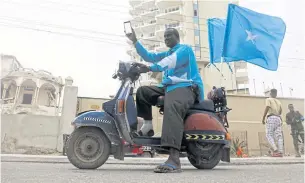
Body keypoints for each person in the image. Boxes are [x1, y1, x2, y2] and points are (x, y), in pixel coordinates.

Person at [126, 27, 204, 173]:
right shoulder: (168, 53)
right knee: (143, 92)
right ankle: (148, 126)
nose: (166, 39)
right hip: (169, 87)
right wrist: (135, 41)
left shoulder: (184, 50)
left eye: (169, 36)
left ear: (177, 37)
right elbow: (149, 56)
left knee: (172, 104)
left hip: (187, 86)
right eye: (165, 36)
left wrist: (149, 68)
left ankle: (174, 159)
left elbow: (169, 61)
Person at [262, 89, 284, 157]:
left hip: (271, 117)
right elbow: (280, 112)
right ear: (276, 94)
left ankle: (275, 150)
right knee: (279, 136)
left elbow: (267, 107)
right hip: (278, 118)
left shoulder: (268, 99)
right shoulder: (279, 102)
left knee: (269, 134)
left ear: (270, 93)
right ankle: (280, 151)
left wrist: (263, 118)